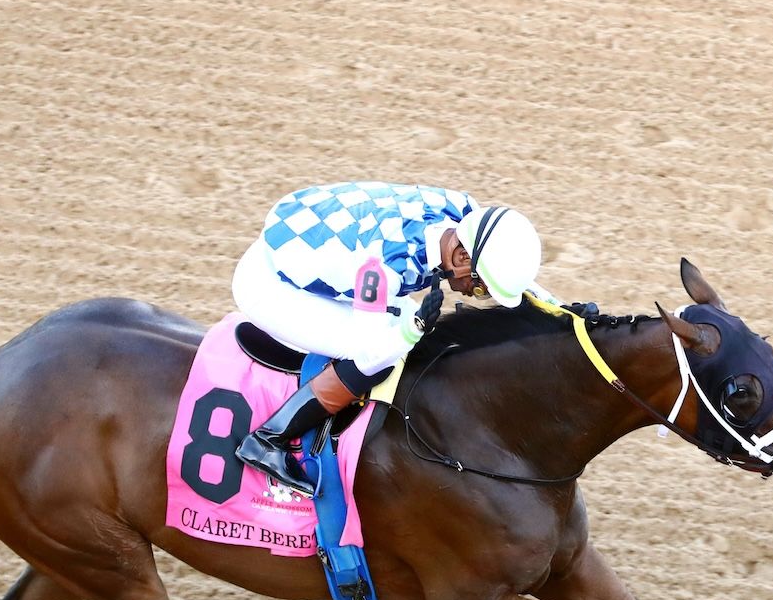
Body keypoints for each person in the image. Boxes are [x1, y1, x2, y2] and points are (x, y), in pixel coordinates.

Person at [231, 180, 545, 496]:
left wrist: (558, 309)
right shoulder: (384, 267)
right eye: (480, 286)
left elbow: (507, 269)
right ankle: (269, 440)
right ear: (462, 258)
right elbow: (370, 355)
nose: (478, 295)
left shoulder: (463, 214)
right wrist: (417, 327)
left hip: (310, 237)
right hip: (268, 286)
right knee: (381, 359)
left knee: (400, 325)